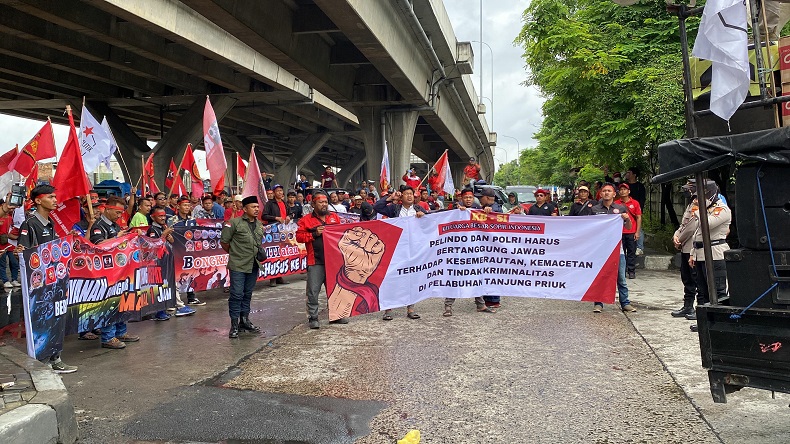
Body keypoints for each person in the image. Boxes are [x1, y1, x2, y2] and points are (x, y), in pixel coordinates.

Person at [16, 185, 77, 372]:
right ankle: (43, 362)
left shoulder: (50, 223)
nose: (55, 200)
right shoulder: (30, 224)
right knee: (42, 321)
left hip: (53, 281)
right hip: (38, 284)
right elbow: (24, 253)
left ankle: (55, 357)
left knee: (56, 318)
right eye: (50, 197)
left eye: (54, 196)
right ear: (37, 200)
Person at [89, 196, 141, 349]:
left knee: (122, 301)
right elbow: (98, 245)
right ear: (108, 208)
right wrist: (117, 238)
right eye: (117, 213)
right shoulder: (98, 226)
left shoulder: (115, 225)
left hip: (120, 270)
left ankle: (121, 331)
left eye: (121, 213)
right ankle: (108, 337)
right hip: (105, 272)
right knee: (110, 304)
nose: (119, 216)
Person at [373, 185, 424, 320]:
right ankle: (388, 309)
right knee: (391, 277)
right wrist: (390, 198)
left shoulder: (419, 209)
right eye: (406, 194)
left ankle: (410, 309)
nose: (409, 196)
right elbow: (377, 207)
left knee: (411, 278)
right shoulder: (394, 209)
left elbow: (431, 222)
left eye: (411, 194)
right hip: (396, 248)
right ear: (401, 196)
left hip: (413, 250)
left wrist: (423, 217)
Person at [295, 192, 344, 329]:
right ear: (313, 204)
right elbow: (299, 237)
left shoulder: (334, 217)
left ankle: (336, 315)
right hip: (315, 261)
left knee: (335, 289)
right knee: (313, 291)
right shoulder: (305, 220)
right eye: (320, 202)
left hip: (333, 261)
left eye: (325, 202)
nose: (324, 204)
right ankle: (313, 317)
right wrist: (314, 234)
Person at [687, 180, 731, 332]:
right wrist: (693, 253)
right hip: (701, 254)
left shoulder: (722, 209)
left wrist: (698, 209)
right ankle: (705, 324)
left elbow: (707, 224)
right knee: (703, 291)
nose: (696, 200)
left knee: (717, 292)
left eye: (699, 197)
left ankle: (719, 324)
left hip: (715, 254)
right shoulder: (706, 209)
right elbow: (698, 234)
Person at [220, 196, 265, 338]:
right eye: (253, 207)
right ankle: (234, 325)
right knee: (236, 294)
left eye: (257, 207)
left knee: (247, 293)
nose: (256, 209)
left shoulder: (259, 225)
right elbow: (224, 242)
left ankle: (244, 320)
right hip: (238, 264)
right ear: (245, 209)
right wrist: (236, 253)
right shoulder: (233, 223)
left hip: (253, 264)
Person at [443, 188, 493, 316]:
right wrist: (457, 211)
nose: (468, 200)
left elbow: (491, 219)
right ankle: (448, 306)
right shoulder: (454, 208)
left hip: (473, 250)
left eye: (470, 198)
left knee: (476, 275)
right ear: (461, 199)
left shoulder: (477, 208)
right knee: (454, 276)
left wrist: (487, 211)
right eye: (466, 198)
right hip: (457, 250)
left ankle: (480, 304)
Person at [589, 183, 635, 313]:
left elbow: (628, 227)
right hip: (600, 249)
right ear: (601, 193)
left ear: (614, 194)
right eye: (604, 191)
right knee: (600, 277)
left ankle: (625, 303)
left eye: (609, 191)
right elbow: (589, 228)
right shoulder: (595, 210)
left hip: (617, 249)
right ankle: (598, 303)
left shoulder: (621, 208)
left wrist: (626, 219)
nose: (606, 193)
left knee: (621, 278)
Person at [146, 208, 195, 320]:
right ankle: (169, 309)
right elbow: (154, 246)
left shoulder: (164, 227)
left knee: (169, 285)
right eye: (160, 216)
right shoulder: (153, 229)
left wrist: (170, 238)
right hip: (158, 263)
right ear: (153, 217)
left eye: (164, 216)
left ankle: (165, 309)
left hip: (167, 260)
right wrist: (164, 235)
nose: (163, 218)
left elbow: (171, 242)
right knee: (161, 286)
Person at [168, 197, 205, 306]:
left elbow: (196, 234)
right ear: (178, 206)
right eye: (184, 205)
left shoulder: (192, 220)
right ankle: (175, 299)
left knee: (191, 273)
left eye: (188, 206)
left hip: (189, 251)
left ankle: (191, 297)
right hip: (176, 251)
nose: (187, 207)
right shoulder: (172, 220)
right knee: (176, 275)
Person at [670, 180, 699, 319]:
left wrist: (679, 239)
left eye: (689, 189)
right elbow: (683, 224)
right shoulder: (691, 203)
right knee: (686, 277)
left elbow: (692, 227)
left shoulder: (700, 204)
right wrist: (676, 235)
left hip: (693, 246)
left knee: (695, 278)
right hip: (685, 246)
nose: (686, 191)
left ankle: (697, 308)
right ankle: (687, 306)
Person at [263, 184, 290, 287]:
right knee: (274, 254)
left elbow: (291, 213)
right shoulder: (269, 203)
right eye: (277, 191)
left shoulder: (284, 203)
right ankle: (272, 278)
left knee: (282, 254)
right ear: (274, 193)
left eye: (281, 191)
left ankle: (280, 276)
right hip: (273, 233)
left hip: (284, 232)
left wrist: (289, 216)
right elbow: (264, 215)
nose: (280, 192)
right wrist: (276, 218)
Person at [615, 183, 642, 279]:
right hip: (619, 232)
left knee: (631, 252)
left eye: (624, 189)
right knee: (620, 253)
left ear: (629, 191)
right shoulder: (616, 204)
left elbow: (638, 218)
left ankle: (631, 271)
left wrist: (637, 232)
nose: (622, 191)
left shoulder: (635, 203)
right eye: (621, 189)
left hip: (631, 231)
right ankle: (621, 270)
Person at [624, 167, 647, 255]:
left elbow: (642, 199)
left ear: (634, 174)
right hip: (624, 209)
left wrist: (639, 209)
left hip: (635, 209)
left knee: (638, 227)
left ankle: (639, 247)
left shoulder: (639, 186)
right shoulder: (624, 185)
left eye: (629, 173)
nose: (627, 174)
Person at [0, 196, 20, 288]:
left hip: (10, 244)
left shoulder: (10, 218)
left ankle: (14, 279)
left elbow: (14, 228)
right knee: (3, 264)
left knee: (14, 262)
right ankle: (5, 280)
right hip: (1, 244)